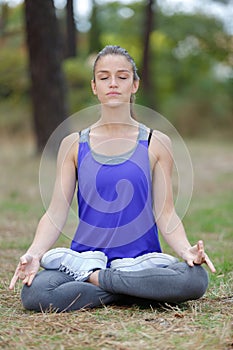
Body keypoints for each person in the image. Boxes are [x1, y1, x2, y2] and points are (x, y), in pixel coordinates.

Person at [9, 45, 216, 312]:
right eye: (104, 77)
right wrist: (34, 254)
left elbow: (166, 214)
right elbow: (55, 212)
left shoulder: (156, 142)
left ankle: (101, 283)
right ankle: (135, 292)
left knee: (196, 279)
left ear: (135, 84)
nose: (113, 84)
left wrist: (186, 250)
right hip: (84, 261)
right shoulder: (73, 144)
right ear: (94, 86)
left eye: (122, 76)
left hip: (141, 264)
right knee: (35, 293)